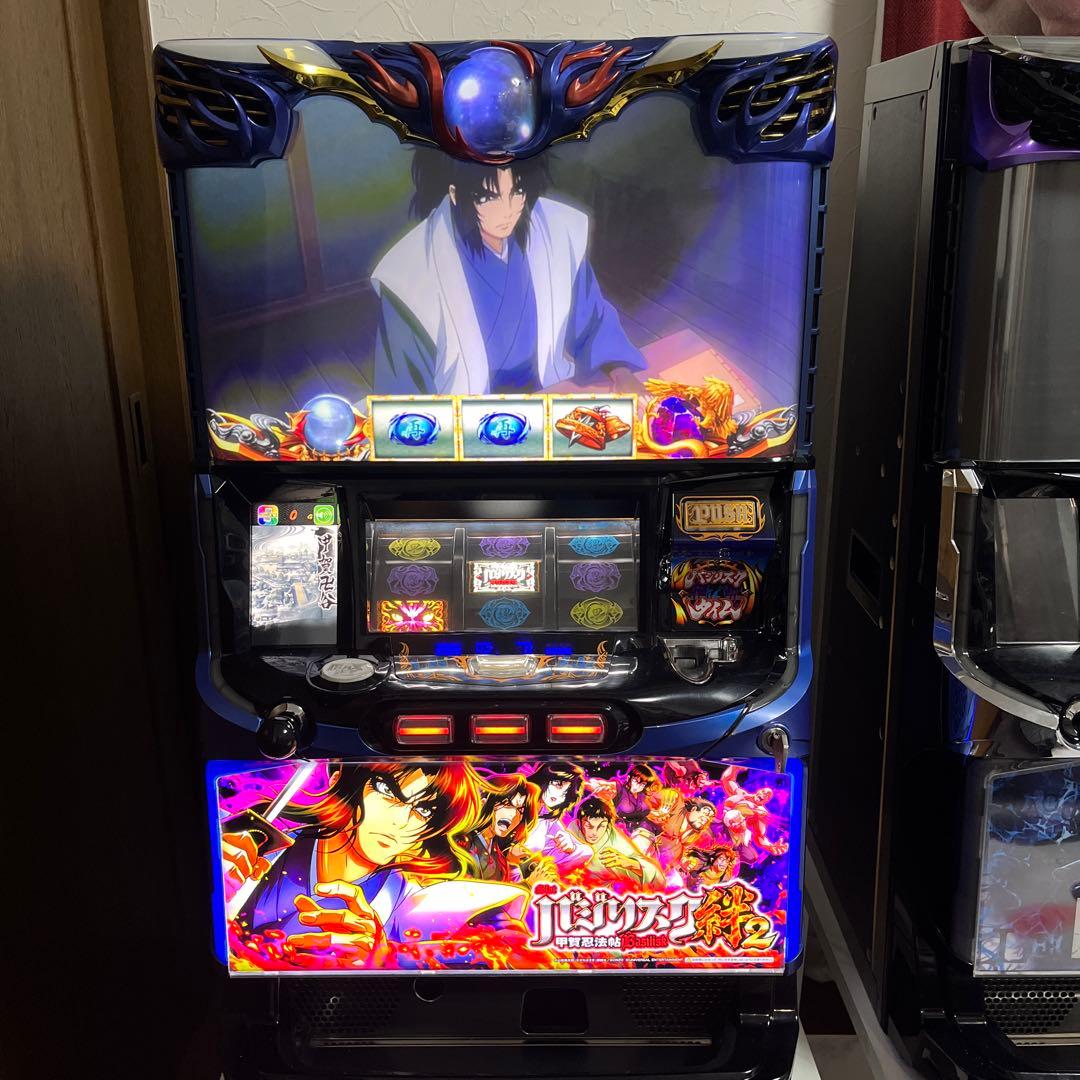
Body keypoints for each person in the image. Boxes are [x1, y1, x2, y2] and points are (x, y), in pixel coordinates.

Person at [371, 151, 647, 395]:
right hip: (460, 417)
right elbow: (402, 392)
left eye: (517, 191)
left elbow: (592, 320)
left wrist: (621, 373)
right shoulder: (412, 269)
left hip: (548, 393)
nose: (508, 210)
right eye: (489, 197)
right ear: (455, 193)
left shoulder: (557, 231)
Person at [222, 762, 528, 969]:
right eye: (387, 791)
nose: (401, 821)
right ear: (341, 780)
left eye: (423, 810)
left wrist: (385, 957)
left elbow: (510, 946)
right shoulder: (253, 847)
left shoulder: (405, 902)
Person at [567, 796, 664, 888]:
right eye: (589, 826)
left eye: (601, 826)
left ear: (607, 825)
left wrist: (631, 864)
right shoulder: (572, 831)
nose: (594, 833)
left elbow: (657, 879)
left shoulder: (614, 841)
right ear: (579, 823)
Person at [523, 761, 592, 871]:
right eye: (558, 785)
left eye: (565, 793)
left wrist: (571, 847)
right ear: (544, 779)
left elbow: (587, 852)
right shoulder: (516, 803)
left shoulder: (547, 818)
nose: (559, 795)